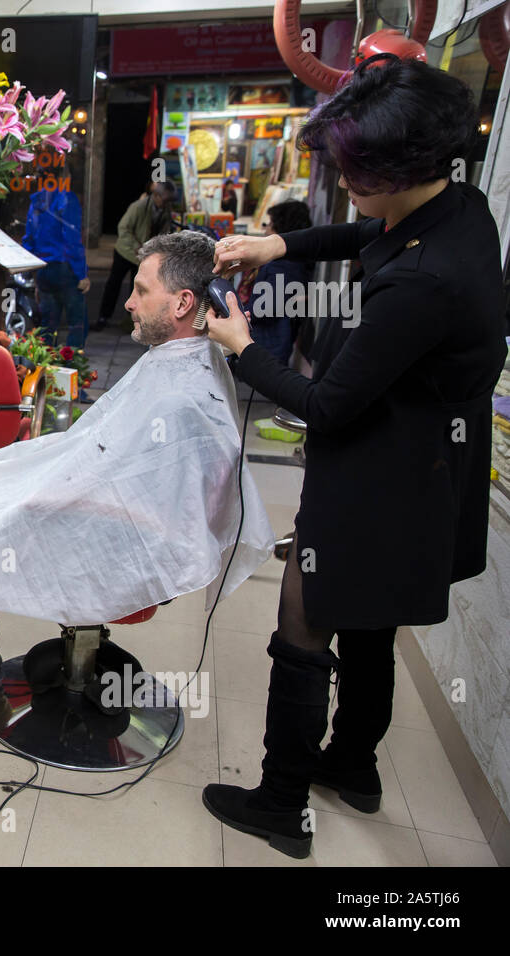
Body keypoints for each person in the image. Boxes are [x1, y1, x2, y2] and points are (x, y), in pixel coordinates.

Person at [200, 57, 507, 859]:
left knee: (305, 622)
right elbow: (368, 230)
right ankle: (354, 766)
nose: (345, 185)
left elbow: (328, 404)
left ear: (392, 169)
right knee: (372, 624)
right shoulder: (457, 206)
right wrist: (277, 244)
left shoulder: (426, 284)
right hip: (424, 465)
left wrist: (241, 350)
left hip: (382, 471)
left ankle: (279, 802)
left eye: (351, 172)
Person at [0, 231, 273, 739]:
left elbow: (135, 481)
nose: (128, 301)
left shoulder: (182, 394)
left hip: (124, 540)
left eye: (141, 290)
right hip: (125, 518)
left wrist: (37, 493)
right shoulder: (188, 361)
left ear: (184, 302)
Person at [235, 200, 313, 369]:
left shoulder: (282, 266)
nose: (266, 229)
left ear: (281, 228)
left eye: (270, 223)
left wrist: (239, 313)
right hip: (274, 344)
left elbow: (263, 308)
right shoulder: (296, 262)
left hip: (267, 345)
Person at [94, 180, 176, 331]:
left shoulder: (165, 210)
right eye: (165, 200)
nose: (167, 203)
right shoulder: (139, 207)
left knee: (137, 287)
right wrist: (137, 246)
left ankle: (130, 320)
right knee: (114, 283)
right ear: (156, 196)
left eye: (169, 201)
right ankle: (103, 317)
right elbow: (123, 228)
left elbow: (163, 231)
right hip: (125, 252)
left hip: (143, 256)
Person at [21, 168, 90, 348]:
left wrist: (31, 271)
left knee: (47, 325)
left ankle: (46, 366)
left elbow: (29, 238)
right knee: (76, 323)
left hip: (43, 268)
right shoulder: (67, 199)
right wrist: (82, 273)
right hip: (64, 267)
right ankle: (72, 364)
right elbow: (72, 238)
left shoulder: (36, 202)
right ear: (63, 178)